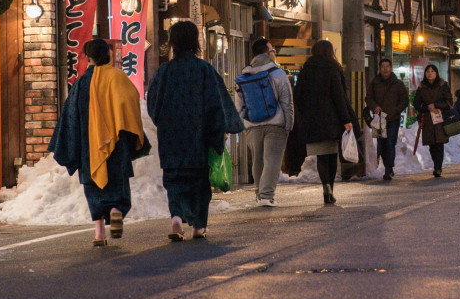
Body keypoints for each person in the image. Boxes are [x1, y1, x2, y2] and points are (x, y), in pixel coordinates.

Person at [146, 20, 242, 240]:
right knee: (199, 182)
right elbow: (216, 105)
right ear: (195, 41)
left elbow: (153, 105)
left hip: (171, 137)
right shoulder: (204, 69)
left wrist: (164, 123)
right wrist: (217, 134)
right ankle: (199, 226)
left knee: (174, 179)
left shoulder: (165, 71)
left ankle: (176, 217)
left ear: (173, 43)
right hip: (199, 137)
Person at [51, 39, 150, 246]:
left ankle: (99, 233)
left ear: (87, 58)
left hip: (89, 147)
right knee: (117, 185)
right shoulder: (117, 77)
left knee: (94, 190)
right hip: (116, 145)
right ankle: (116, 210)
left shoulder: (80, 84)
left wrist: (69, 146)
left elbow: (70, 117)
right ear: (109, 55)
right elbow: (131, 103)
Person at [289, 40, 355, 205]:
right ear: (329, 51)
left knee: (320, 156)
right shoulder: (333, 69)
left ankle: (324, 185)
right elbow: (339, 97)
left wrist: (305, 112)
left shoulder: (306, 70)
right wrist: (346, 119)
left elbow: (297, 96)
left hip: (312, 120)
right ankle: (330, 189)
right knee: (331, 155)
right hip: (331, 119)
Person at [236, 37, 293, 207]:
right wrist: (288, 124)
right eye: (273, 50)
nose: (275, 53)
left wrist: (243, 125)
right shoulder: (277, 73)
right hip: (275, 124)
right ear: (267, 54)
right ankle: (267, 195)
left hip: (252, 125)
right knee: (272, 160)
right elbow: (286, 101)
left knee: (258, 161)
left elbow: (239, 104)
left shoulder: (244, 76)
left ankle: (259, 194)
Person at [365, 59, 409, 182]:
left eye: (387, 66)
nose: (385, 69)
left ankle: (388, 169)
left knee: (390, 143)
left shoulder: (398, 84)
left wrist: (396, 110)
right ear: (379, 68)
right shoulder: (374, 83)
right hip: (379, 119)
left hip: (393, 118)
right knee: (381, 145)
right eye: (383, 66)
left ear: (391, 68)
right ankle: (388, 166)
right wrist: (374, 107)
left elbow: (404, 100)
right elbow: (368, 98)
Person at [412, 63, 456, 177]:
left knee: (439, 143)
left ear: (436, 73)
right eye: (428, 71)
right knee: (432, 144)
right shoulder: (422, 87)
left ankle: (438, 167)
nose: (430, 73)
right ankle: (436, 165)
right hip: (428, 120)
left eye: (432, 71)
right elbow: (416, 103)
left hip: (441, 119)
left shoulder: (443, 85)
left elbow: (449, 102)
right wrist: (427, 107)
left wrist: (436, 105)